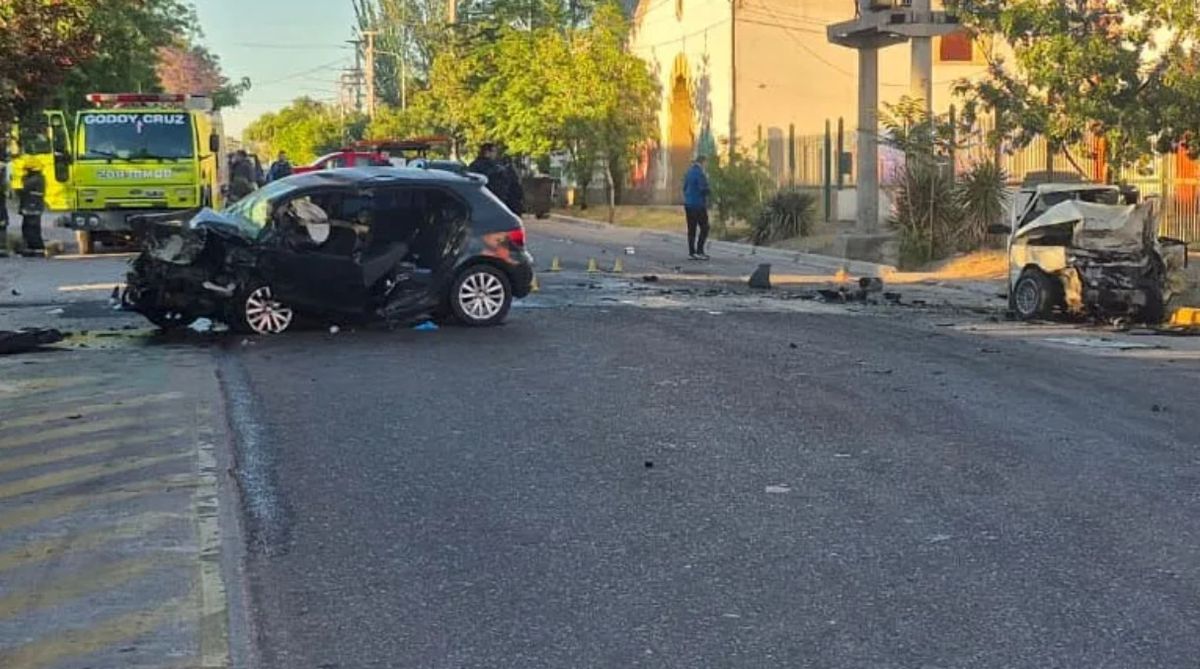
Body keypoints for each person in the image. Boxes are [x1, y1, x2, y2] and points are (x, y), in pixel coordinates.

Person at [682, 154, 711, 260]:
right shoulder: (700, 174)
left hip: (688, 204)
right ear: (703, 162)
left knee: (691, 228)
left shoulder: (689, 172)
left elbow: (684, 187)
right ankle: (700, 250)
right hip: (698, 204)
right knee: (705, 227)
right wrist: (708, 189)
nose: (706, 165)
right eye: (706, 163)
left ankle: (691, 252)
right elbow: (703, 189)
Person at [17, 164, 46, 255]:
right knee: (28, 227)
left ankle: (35, 247)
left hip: (32, 206)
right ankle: (31, 247)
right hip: (31, 206)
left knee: (31, 228)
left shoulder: (35, 180)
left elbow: (25, 187)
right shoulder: (39, 178)